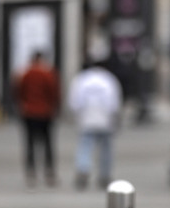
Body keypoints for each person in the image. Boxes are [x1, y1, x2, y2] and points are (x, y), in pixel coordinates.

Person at [68, 58, 123, 190]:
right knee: (106, 150)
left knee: (85, 146)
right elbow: (114, 102)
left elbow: (75, 101)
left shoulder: (82, 79)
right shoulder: (109, 79)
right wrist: (115, 117)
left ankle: (83, 171)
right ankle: (104, 175)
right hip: (105, 119)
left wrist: (78, 115)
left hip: (87, 118)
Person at [15, 51, 61, 187]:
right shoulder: (48, 73)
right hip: (45, 112)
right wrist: (54, 107)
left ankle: (31, 172)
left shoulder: (25, 73)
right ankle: (49, 172)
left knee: (30, 143)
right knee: (47, 143)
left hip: (29, 112)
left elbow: (18, 91)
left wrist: (23, 105)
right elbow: (54, 92)